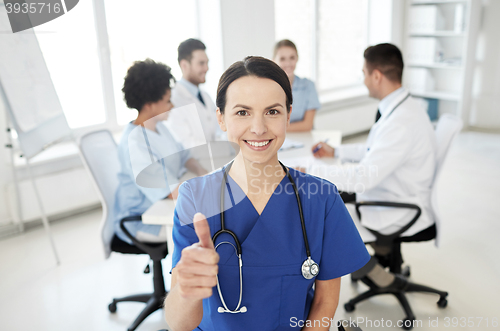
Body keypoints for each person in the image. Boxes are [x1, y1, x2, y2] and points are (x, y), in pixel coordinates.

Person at [164, 56, 370, 330]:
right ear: (221, 118)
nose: (258, 128)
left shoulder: (322, 199)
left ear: (288, 114)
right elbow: (179, 324)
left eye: (272, 111)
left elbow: (324, 304)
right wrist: (187, 291)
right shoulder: (195, 197)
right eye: (242, 112)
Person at [310, 43, 437, 288]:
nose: (364, 79)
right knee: (335, 194)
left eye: (364, 73)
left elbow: (363, 178)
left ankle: (379, 276)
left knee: (325, 215)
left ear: (376, 76)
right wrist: (337, 151)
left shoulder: (401, 122)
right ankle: (373, 261)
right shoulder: (402, 108)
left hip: (398, 205)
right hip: (395, 190)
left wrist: (313, 172)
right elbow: (374, 150)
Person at [113, 59, 207, 244]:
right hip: (146, 219)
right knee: (208, 228)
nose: (171, 105)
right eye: (167, 101)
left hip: (166, 207)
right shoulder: (135, 145)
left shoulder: (158, 126)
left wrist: (202, 173)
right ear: (149, 105)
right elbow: (171, 193)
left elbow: (184, 156)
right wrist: (210, 187)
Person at [167, 38, 220, 149]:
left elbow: (220, 131)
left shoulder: (206, 97)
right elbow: (186, 144)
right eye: (201, 63)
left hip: (216, 160)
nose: (206, 68)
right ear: (184, 65)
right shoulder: (173, 100)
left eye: (207, 63)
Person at [273, 39, 320, 132]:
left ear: (297, 58)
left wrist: (276, 129)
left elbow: (307, 125)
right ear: (274, 61)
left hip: (304, 138)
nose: (288, 63)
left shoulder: (308, 86)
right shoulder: (269, 88)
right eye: (282, 59)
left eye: (292, 58)